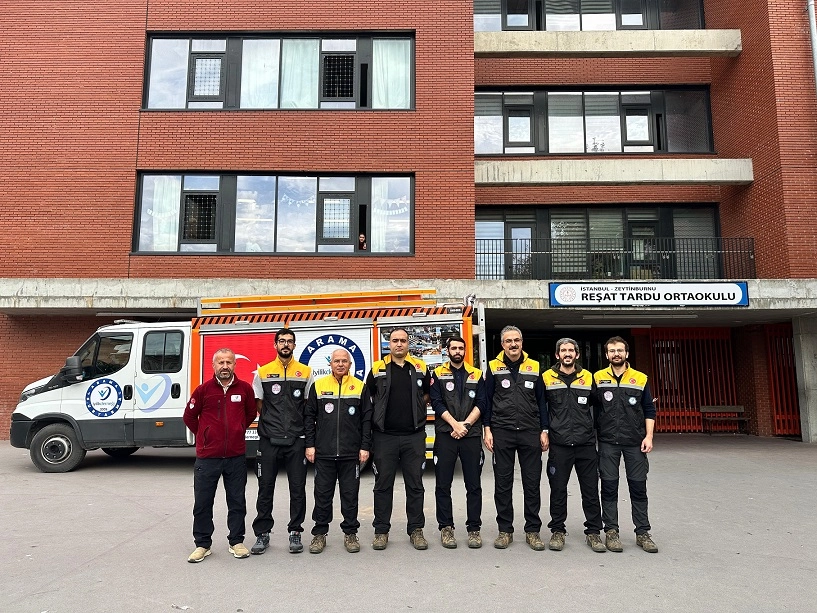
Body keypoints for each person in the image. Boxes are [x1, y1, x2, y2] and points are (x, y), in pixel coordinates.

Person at [183, 348, 257, 563]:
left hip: (235, 456)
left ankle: (236, 541)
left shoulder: (245, 389)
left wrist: (237, 429)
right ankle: (202, 544)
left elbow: (251, 413)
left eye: (229, 362)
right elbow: (189, 416)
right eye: (221, 362)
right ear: (213, 365)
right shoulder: (203, 390)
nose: (225, 366)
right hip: (208, 458)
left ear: (235, 364)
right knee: (203, 503)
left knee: (237, 502)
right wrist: (205, 436)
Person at [483, 325, 549, 550]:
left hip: (530, 431)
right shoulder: (493, 367)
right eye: (509, 341)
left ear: (522, 342)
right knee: (503, 484)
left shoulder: (535, 367)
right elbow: (487, 400)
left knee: (532, 484)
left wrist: (544, 429)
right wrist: (487, 429)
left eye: (517, 340)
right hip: (502, 431)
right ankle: (505, 531)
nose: (513, 344)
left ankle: (532, 531)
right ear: (503, 344)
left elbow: (542, 401)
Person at [365, 328, 430, 550]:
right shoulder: (377, 368)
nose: (399, 344)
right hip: (385, 437)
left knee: (415, 485)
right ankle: (381, 531)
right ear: (389, 344)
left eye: (403, 340)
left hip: (414, 436)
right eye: (395, 341)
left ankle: (416, 530)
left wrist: (418, 409)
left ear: (408, 344)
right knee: (383, 485)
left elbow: (427, 394)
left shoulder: (420, 368)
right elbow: (369, 397)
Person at [593, 336, 658, 553]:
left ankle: (642, 532)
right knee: (609, 487)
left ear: (627, 354)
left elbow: (649, 409)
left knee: (638, 488)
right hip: (608, 442)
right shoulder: (598, 378)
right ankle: (611, 531)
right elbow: (592, 410)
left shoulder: (640, 378)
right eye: (612, 351)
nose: (616, 354)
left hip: (635, 442)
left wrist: (649, 437)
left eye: (620, 350)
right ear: (607, 355)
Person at [250, 328, 312, 554]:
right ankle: (262, 533)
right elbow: (259, 402)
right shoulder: (263, 372)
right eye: (282, 341)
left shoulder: (306, 372)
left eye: (290, 341)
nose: (286, 344)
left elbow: (308, 404)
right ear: (275, 345)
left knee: (298, 488)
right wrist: (272, 422)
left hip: (296, 439)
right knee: (265, 488)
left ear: (294, 345)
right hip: (269, 439)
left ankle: (295, 532)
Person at [304, 349, 372, 554]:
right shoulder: (319, 386)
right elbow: (309, 417)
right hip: (324, 453)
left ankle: (350, 533)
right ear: (330, 364)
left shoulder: (360, 387)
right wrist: (310, 445)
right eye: (336, 361)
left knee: (350, 496)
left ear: (350, 364)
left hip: (351, 454)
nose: (340, 364)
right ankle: (319, 533)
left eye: (344, 361)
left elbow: (366, 420)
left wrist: (365, 447)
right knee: (322, 495)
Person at [542, 338, 605, 553]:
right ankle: (557, 531)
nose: (567, 353)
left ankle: (593, 532)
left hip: (585, 443)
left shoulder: (588, 377)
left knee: (590, 490)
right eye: (563, 350)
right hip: (559, 444)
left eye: (571, 350)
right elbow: (541, 408)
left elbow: (599, 406)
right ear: (557, 355)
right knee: (558, 489)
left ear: (577, 354)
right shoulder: (547, 378)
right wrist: (544, 431)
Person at [429, 335, 487, 549]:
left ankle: (474, 529)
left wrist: (466, 425)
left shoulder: (476, 374)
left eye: (461, 348)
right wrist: (455, 425)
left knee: (474, 485)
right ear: (447, 351)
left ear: (465, 351)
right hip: (447, 435)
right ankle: (446, 528)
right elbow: (436, 403)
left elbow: (482, 402)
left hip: (470, 436)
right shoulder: (438, 373)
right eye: (453, 348)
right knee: (443, 485)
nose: (457, 351)